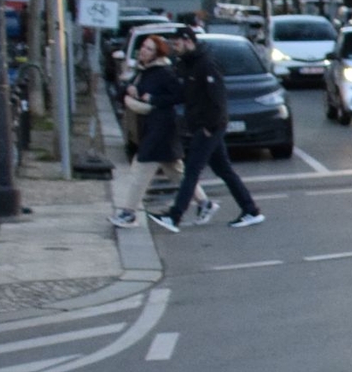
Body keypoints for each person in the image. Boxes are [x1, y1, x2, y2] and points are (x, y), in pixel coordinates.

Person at [149, 30, 262, 232]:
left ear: (188, 41)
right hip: (202, 125)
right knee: (224, 170)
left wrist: (211, 127)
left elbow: (218, 99)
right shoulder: (187, 64)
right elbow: (181, 94)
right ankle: (251, 210)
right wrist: (152, 99)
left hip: (209, 126)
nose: (175, 48)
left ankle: (175, 217)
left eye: (177, 44)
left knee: (191, 171)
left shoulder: (206, 64)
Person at [109, 32, 194, 227]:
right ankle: (205, 202)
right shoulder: (142, 71)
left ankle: (129, 213)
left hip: (162, 127)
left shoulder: (164, 72)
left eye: (149, 49)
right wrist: (129, 91)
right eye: (143, 47)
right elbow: (124, 91)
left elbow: (179, 95)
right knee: (176, 172)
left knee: (140, 168)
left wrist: (154, 100)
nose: (143, 52)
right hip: (150, 126)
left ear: (157, 54)